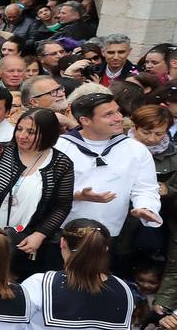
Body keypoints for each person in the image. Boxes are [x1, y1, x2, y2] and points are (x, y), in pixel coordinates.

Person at [0, 109, 75, 278]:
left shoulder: (61, 163)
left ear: (48, 134)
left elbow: (62, 205)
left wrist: (39, 235)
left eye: (31, 132)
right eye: (19, 129)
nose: (22, 135)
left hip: (25, 241)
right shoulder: (0, 151)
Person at [57, 93, 162, 238]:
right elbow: (43, 188)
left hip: (111, 234)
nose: (119, 118)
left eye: (117, 111)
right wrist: (77, 195)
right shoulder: (60, 146)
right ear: (85, 120)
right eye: (108, 114)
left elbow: (146, 188)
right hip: (61, 231)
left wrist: (145, 207)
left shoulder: (136, 149)